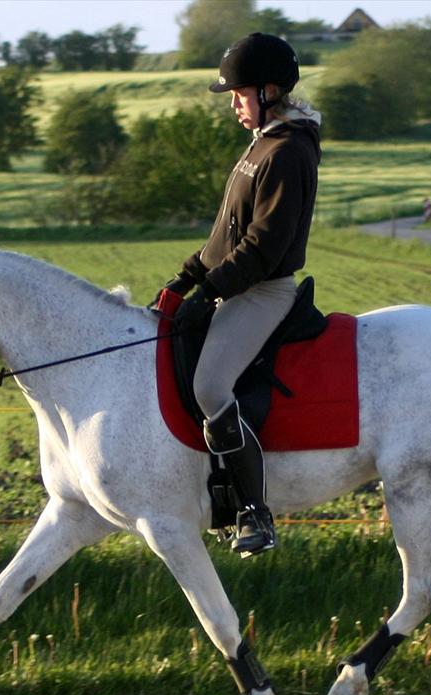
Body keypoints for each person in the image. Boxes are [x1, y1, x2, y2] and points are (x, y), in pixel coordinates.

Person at [155, 32, 322, 557]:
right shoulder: (262, 144)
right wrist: (183, 280)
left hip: (263, 291)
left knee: (210, 387)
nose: (233, 104)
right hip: (236, 285)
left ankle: (255, 510)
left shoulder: (288, 151)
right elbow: (224, 235)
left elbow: (262, 247)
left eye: (239, 93)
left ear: (271, 91)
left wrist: (210, 292)